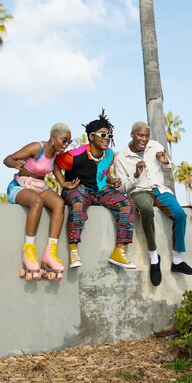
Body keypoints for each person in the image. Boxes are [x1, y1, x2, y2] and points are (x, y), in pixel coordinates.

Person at [114, 121, 192, 286]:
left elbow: (168, 170)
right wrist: (136, 175)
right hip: (139, 191)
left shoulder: (155, 146)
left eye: (146, 135)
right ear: (132, 135)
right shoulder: (121, 158)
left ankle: (177, 260)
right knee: (146, 210)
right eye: (140, 135)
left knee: (180, 214)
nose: (144, 139)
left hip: (160, 189)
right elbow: (123, 189)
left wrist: (165, 162)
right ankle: (154, 258)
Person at [54, 110, 136, 270]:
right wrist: (63, 183)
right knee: (77, 203)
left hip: (100, 191)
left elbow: (106, 172)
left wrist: (112, 180)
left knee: (126, 204)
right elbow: (56, 164)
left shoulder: (109, 154)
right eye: (103, 135)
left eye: (109, 136)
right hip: (79, 189)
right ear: (91, 137)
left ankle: (119, 251)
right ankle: (73, 250)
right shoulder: (74, 156)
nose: (107, 139)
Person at [4, 123, 78, 280]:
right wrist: (15, 164)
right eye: (64, 140)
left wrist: (64, 184)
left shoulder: (56, 155)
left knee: (59, 203)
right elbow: (7, 159)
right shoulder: (37, 148)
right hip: (19, 186)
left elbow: (56, 169)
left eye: (69, 142)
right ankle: (28, 250)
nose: (66, 145)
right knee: (36, 202)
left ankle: (50, 253)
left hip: (38, 187)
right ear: (53, 138)